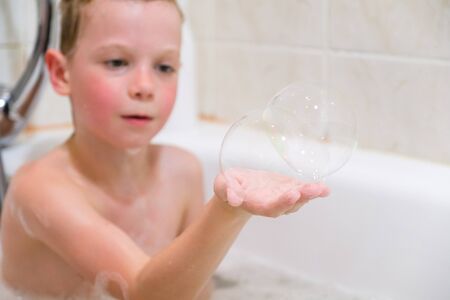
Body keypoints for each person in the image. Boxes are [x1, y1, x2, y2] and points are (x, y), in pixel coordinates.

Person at [0, 0, 329, 299]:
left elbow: (196, 291)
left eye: (164, 67)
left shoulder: (181, 171)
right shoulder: (39, 189)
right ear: (61, 73)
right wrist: (228, 211)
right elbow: (142, 293)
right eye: (117, 62)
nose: (144, 87)